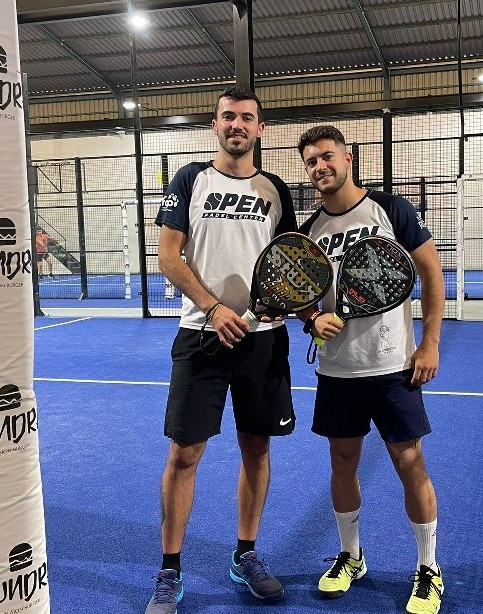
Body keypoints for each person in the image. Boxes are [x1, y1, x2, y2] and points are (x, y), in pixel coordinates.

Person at [146, 87, 297, 614]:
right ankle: (169, 570)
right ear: (215, 126)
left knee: (257, 448)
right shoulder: (190, 179)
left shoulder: (276, 190)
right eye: (228, 117)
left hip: (262, 343)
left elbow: (289, 262)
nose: (238, 125)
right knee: (184, 453)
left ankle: (245, 554)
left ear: (260, 128)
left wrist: (284, 306)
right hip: (201, 337)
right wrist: (213, 308)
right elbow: (168, 257)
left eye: (247, 118)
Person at [297, 126, 445, 614]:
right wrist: (312, 318)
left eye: (327, 156)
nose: (320, 167)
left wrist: (429, 343)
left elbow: (431, 272)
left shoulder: (390, 210)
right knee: (342, 464)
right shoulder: (310, 230)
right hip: (337, 371)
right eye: (311, 161)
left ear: (348, 158)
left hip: (393, 367)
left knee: (410, 463)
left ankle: (428, 567)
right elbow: (301, 296)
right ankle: (351, 556)